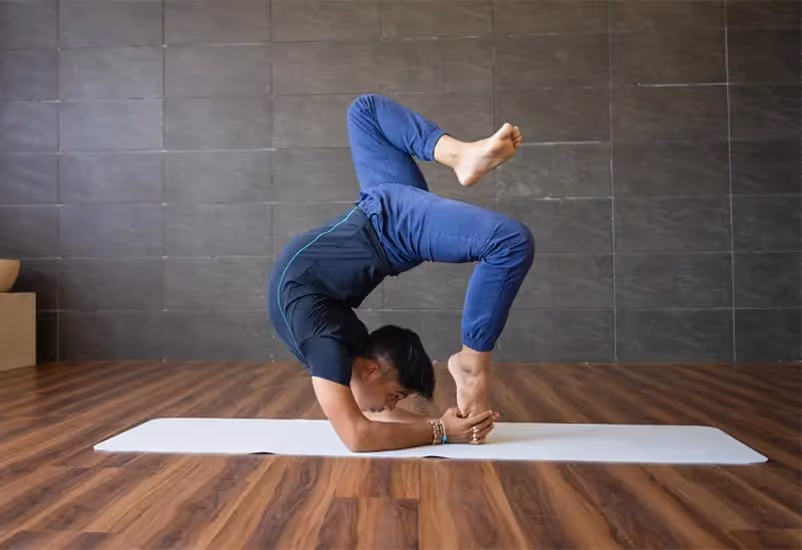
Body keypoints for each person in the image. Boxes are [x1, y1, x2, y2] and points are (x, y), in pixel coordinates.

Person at [268, 94, 534, 452]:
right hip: (382, 210)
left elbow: (358, 437)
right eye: (397, 398)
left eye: (395, 397)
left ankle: (471, 363)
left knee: (510, 242)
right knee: (365, 111)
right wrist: (447, 427)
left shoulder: (327, 346)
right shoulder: (348, 351)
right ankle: (459, 155)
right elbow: (373, 420)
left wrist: (442, 432)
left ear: (373, 371)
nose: (391, 406)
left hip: (390, 224)